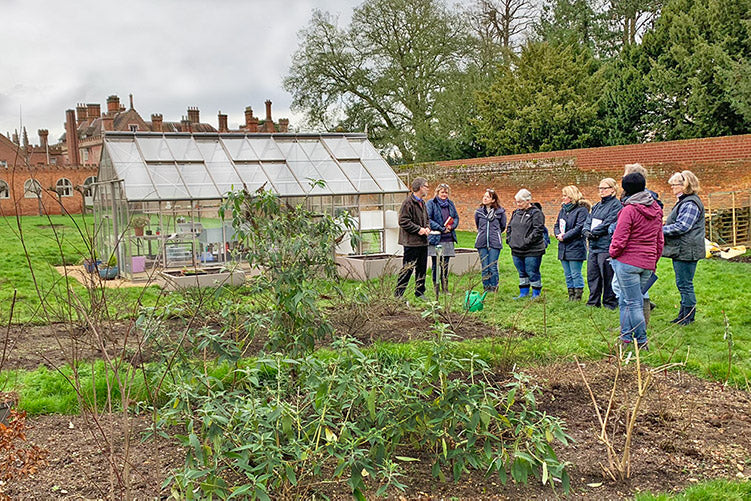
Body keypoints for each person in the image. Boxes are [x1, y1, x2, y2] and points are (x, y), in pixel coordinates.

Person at [609, 173, 664, 350]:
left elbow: (619, 237)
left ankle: (641, 341)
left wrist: (613, 253)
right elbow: (659, 239)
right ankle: (625, 338)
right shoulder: (656, 209)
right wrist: (653, 260)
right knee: (626, 300)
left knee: (633, 303)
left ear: (626, 189)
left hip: (627, 263)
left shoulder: (629, 210)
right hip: (647, 262)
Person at [662, 170, 705, 326]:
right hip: (683, 249)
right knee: (682, 283)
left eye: (674, 184)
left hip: (687, 250)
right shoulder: (685, 201)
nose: (672, 187)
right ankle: (683, 315)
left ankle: (688, 317)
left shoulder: (690, 203)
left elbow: (682, 226)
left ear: (685, 185)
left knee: (685, 284)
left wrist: (658, 230)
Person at [583, 178, 622, 309]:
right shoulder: (597, 206)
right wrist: (587, 231)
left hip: (605, 245)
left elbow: (609, 222)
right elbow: (588, 220)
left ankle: (609, 302)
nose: (601, 191)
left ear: (613, 189)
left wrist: (594, 232)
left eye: (604, 188)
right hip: (593, 246)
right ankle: (593, 301)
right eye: (600, 188)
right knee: (592, 275)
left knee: (607, 276)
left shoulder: (616, 205)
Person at [507, 189, 546, 299]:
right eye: (517, 202)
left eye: (520, 202)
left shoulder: (536, 213)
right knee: (521, 271)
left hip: (532, 249)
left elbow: (538, 230)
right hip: (516, 248)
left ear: (528, 201)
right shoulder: (516, 213)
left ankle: (536, 293)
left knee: (532, 271)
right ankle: (523, 292)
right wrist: (509, 239)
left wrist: (527, 241)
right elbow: (510, 227)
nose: (518, 204)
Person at [395, 178, 431, 299]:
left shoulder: (423, 203)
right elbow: (403, 221)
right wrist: (418, 229)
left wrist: (427, 228)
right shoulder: (408, 203)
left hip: (422, 242)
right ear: (420, 187)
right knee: (408, 268)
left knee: (422, 268)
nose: (427, 188)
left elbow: (427, 219)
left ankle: (420, 292)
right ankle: (398, 294)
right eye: (426, 186)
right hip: (411, 242)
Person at [554, 185, 590, 301]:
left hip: (576, 246)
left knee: (575, 273)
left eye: (565, 196)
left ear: (571, 197)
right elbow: (556, 225)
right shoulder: (563, 210)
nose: (563, 198)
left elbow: (579, 227)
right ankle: (571, 295)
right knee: (567, 274)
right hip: (563, 247)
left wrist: (564, 236)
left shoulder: (582, 210)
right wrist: (558, 234)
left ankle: (578, 296)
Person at [427, 183, 460, 297]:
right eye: (442, 192)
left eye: (446, 192)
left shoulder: (450, 204)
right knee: (436, 264)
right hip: (436, 237)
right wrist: (441, 228)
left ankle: (445, 288)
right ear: (437, 192)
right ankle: (436, 288)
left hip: (448, 238)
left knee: (445, 265)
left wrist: (452, 226)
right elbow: (428, 219)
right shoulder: (431, 203)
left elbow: (455, 217)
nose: (444, 194)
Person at [474, 188, 506, 292]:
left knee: (492, 266)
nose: (485, 198)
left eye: (488, 197)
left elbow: (502, 226)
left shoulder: (500, 212)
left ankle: (494, 287)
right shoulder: (478, 212)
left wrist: (494, 234)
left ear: (493, 200)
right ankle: (486, 287)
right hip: (482, 242)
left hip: (494, 242)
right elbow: (478, 225)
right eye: (484, 196)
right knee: (485, 267)